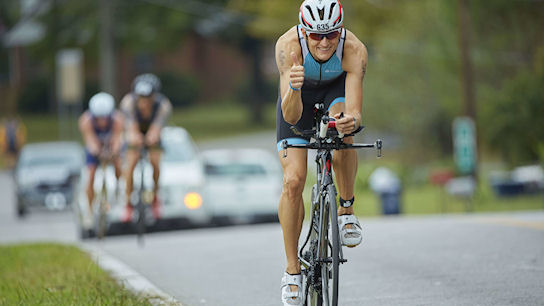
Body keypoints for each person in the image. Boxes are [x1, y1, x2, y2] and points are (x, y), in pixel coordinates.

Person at [274, 0, 368, 304]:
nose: (325, 42)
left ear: (341, 31)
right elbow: (290, 117)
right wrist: (294, 86)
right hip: (296, 99)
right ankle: (292, 271)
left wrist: (349, 122)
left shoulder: (354, 50)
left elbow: (355, 111)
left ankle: (346, 208)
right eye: (316, 35)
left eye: (331, 35)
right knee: (293, 181)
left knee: (345, 131)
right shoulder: (287, 47)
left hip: (334, 92)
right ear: (304, 31)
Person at [120, 73, 172, 222]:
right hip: (135, 130)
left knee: (156, 163)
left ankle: (155, 197)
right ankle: (128, 203)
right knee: (130, 164)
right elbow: (130, 126)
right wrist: (135, 137)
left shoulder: (163, 105)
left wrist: (152, 137)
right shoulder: (128, 103)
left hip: (152, 130)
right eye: (141, 99)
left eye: (147, 99)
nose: (144, 103)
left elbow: (157, 127)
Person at [78, 92, 124, 211]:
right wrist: (98, 152)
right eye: (99, 118)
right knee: (91, 174)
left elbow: (117, 139)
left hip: (111, 147)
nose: (102, 121)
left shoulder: (117, 119)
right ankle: (90, 208)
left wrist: (113, 152)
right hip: (95, 149)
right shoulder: (85, 121)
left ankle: (120, 188)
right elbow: (90, 140)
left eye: (105, 117)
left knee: (119, 165)